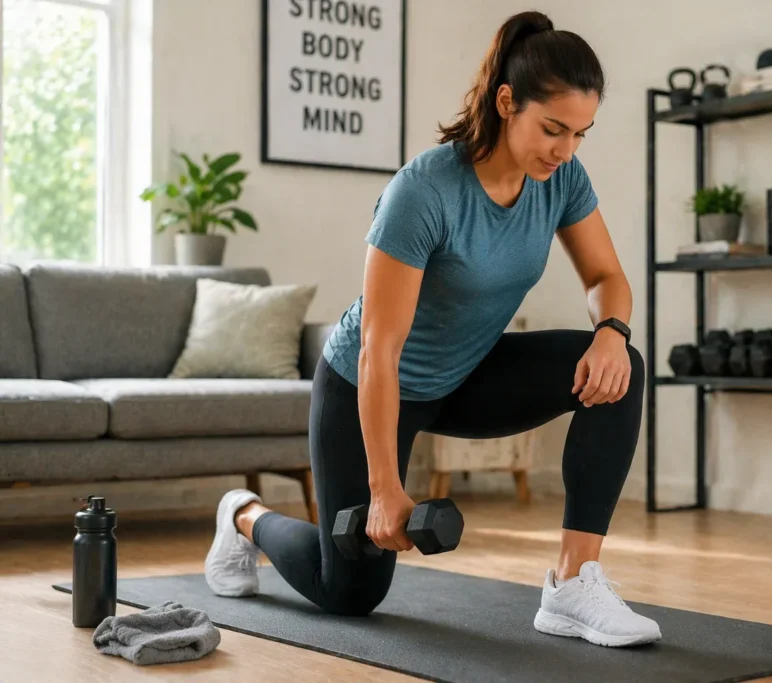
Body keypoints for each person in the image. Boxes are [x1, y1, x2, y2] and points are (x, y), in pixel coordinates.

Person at [204, 10, 660, 648]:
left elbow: (605, 276)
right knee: (351, 593)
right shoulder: (424, 191)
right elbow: (377, 351)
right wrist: (386, 487)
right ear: (507, 102)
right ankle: (244, 518)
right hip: (367, 385)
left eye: (580, 134)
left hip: (466, 375)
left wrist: (611, 329)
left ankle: (574, 581)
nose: (565, 150)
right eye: (553, 129)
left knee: (621, 369)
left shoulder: (561, 180)